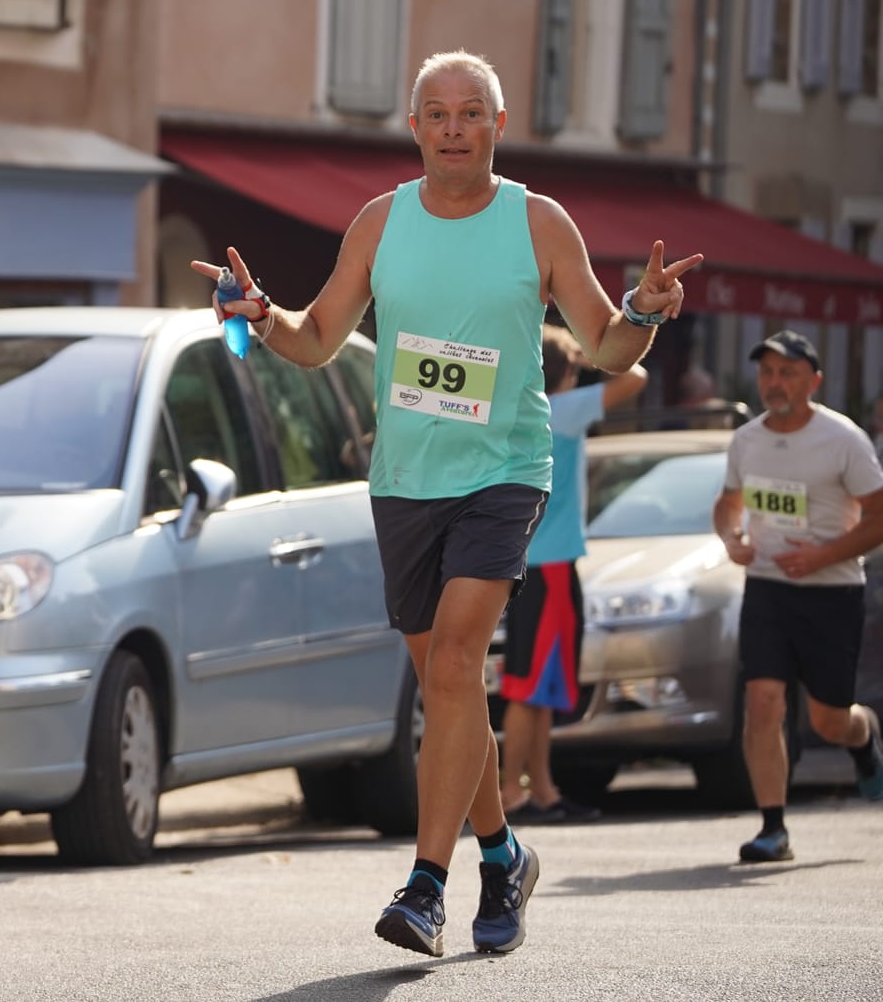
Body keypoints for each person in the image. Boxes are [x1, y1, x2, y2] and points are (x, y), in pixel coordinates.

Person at [194, 51, 700, 959]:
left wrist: (646, 309)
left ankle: (426, 885)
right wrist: (262, 317)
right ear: (417, 127)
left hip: (504, 472)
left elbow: (608, 346)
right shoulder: (379, 222)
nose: (456, 126)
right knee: (447, 688)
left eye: (473, 112)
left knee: (461, 662)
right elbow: (317, 339)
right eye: (439, 113)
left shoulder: (538, 222)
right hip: (406, 481)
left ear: (497, 127)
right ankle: (504, 853)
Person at [711, 330, 883, 863]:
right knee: (762, 702)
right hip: (767, 588)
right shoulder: (748, 440)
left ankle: (864, 734)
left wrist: (821, 555)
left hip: (832, 593)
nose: (775, 382)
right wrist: (731, 538)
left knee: (829, 720)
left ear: (814, 380)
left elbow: (877, 518)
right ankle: (773, 828)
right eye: (767, 372)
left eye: (787, 372)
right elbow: (728, 503)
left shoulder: (844, 440)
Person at [498, 325, 646, 823]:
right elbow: (637, 376)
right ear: (566, 372)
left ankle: (542, 789)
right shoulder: (560, 409)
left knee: (538, 688)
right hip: (550, 566)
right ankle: (511, 794)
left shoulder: (518, 412)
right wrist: (592, 352)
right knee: (527, 687)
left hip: (529, 564)